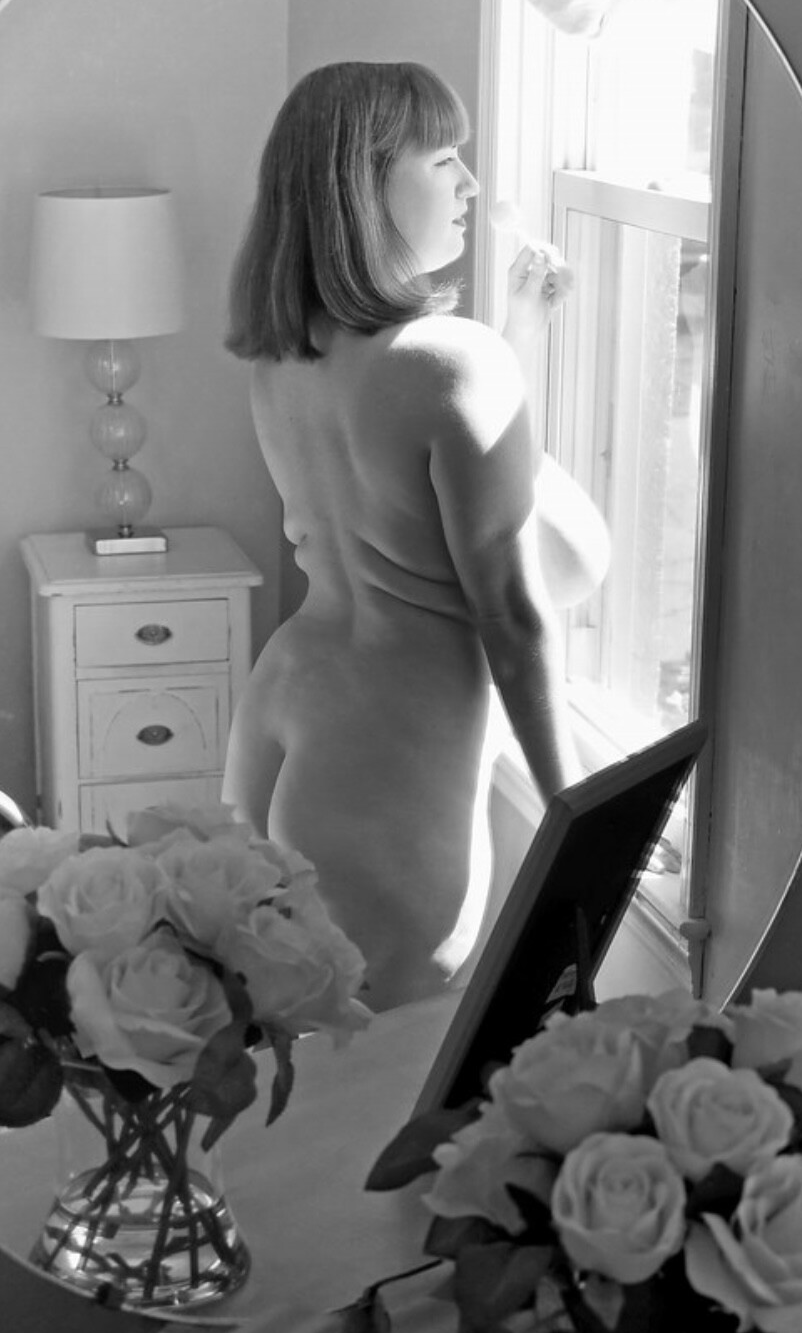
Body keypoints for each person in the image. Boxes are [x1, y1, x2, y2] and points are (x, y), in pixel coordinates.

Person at [222, 60, 608, 1011]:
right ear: (365, 187)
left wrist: (514, 336)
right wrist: (575, 816)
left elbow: (426, 501)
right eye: (443, 161)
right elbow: (511, 613)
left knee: (285, 1052)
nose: (470, 184)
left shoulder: (285, 357)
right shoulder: (453, 362)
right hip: (391, 762)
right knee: (378, 1075)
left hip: (289, 702)